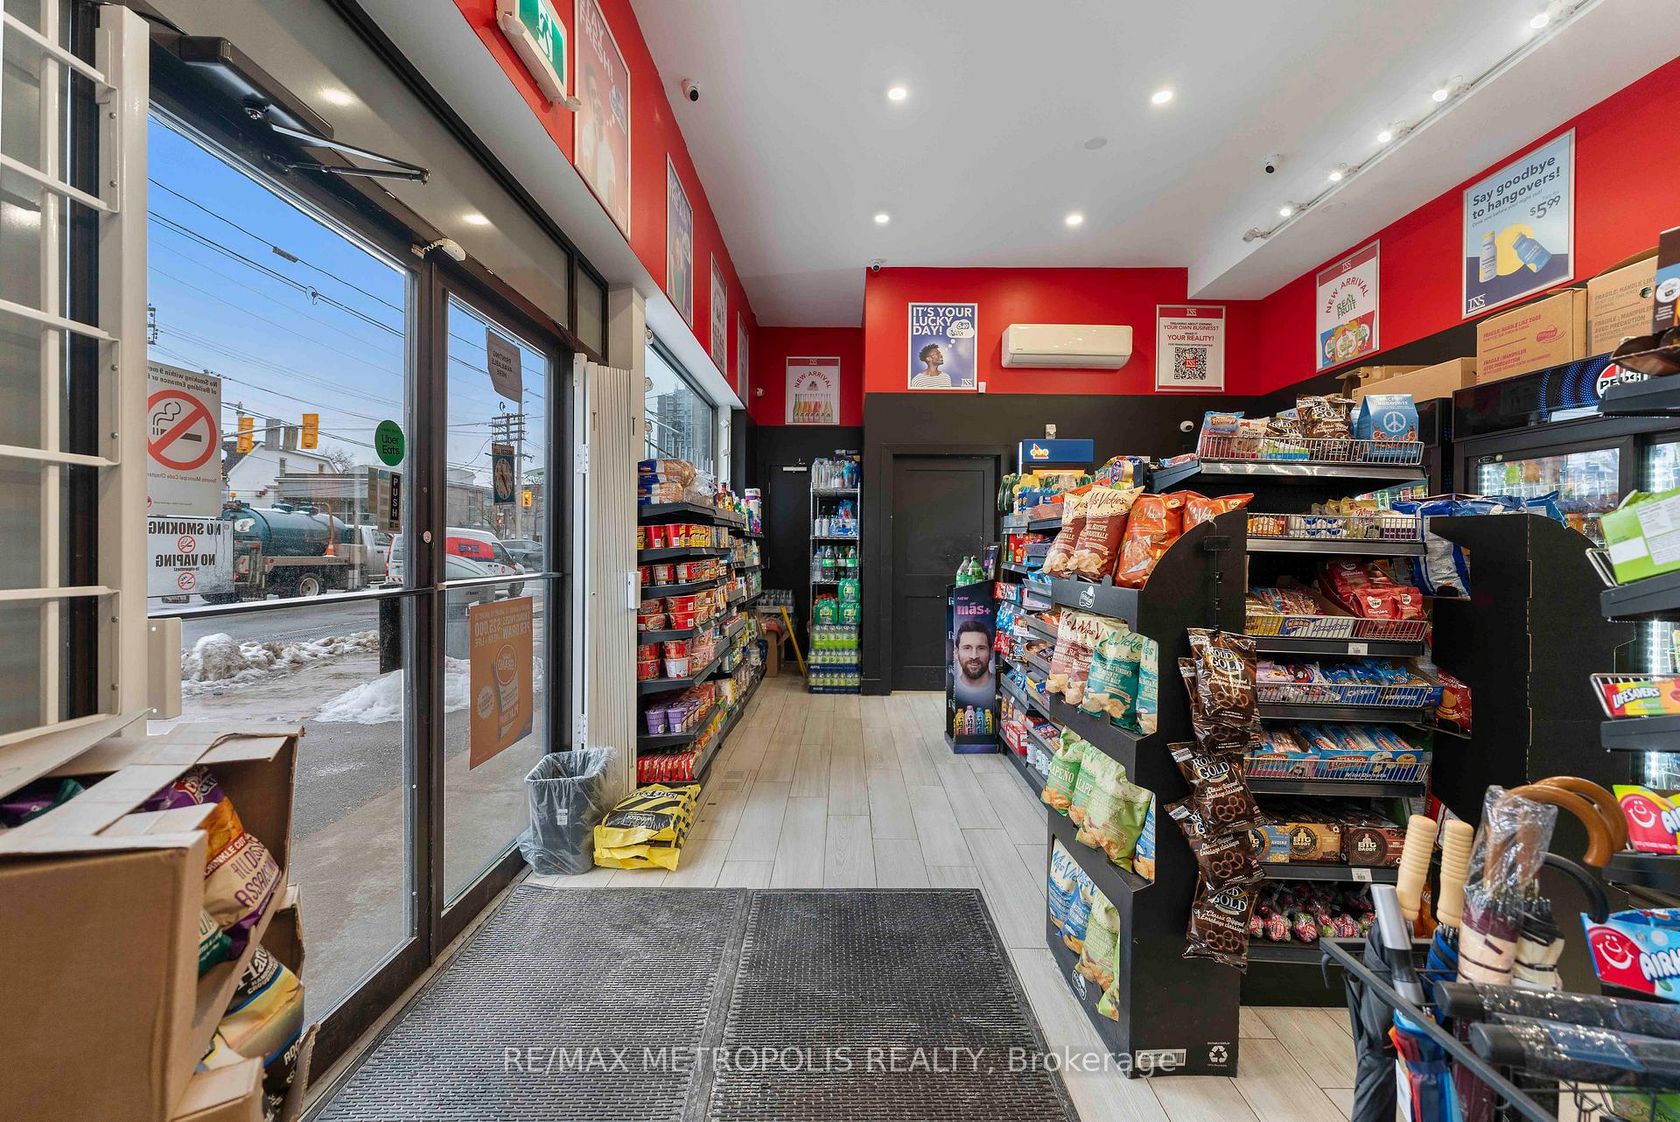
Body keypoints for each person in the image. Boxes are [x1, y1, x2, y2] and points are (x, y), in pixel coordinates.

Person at [951, 619, 995, 708]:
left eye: (981, 648)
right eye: (967, 648)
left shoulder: (1001, 688)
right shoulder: (952, 689)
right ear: (956, 653)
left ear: (991, 653)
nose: (974, 656)